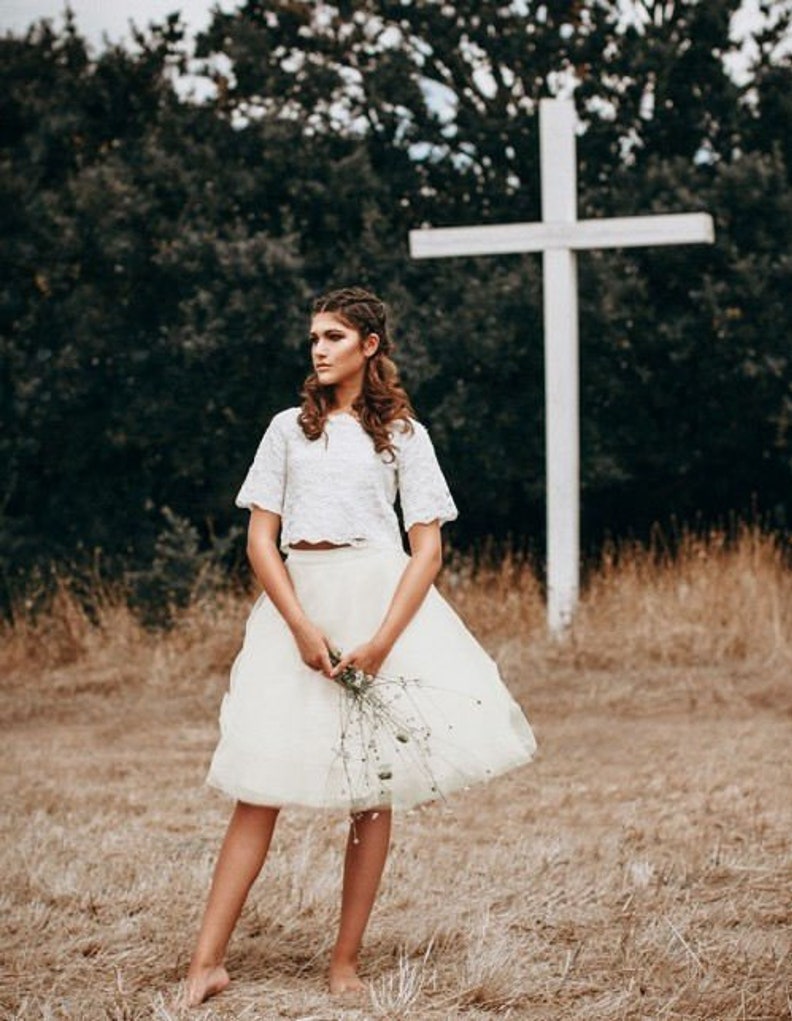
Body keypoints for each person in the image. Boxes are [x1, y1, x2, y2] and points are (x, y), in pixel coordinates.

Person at [183, 286, 536, 1007]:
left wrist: (379, 641)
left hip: (376, 602)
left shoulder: (403, 435)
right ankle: (205, 963)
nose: (318, 347)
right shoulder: (287, 428)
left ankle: (345, 962)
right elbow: (259, 539)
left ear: (369, 345)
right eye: (314, 335)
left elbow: (427, 548)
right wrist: (301, 627)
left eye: (335, 335)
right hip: (299, 601)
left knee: (372, 792)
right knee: (259, 789)